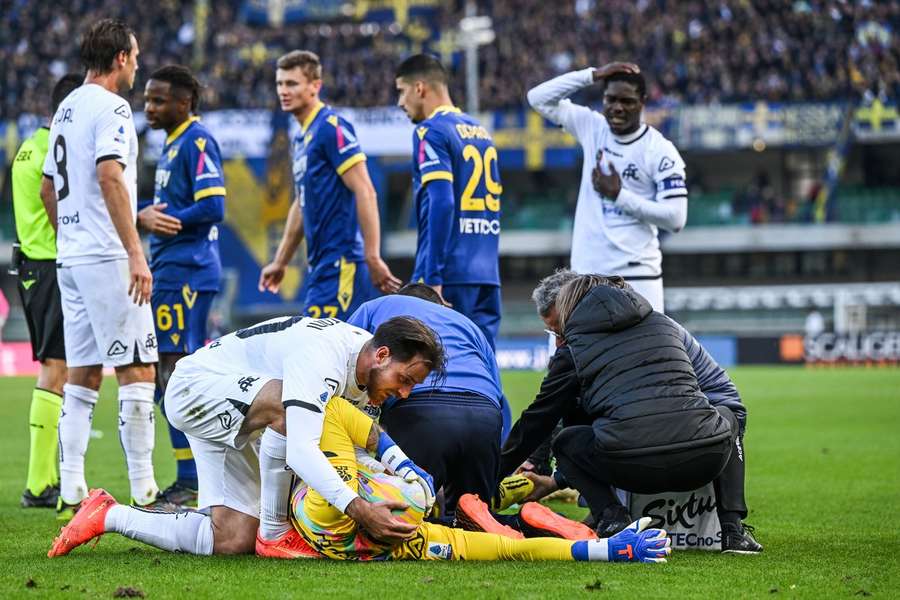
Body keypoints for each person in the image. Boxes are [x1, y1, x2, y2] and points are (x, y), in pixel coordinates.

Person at [48, 315, 446, 558]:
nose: (405, 392)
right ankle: (276, 536)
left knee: (232, 539)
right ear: (380, 356)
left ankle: (107, 514)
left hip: (243, 412)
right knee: (289, 409)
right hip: (197, 387)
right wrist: (359, 509)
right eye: (405, 379)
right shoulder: (324, 356)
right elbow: (304, 447)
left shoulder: (367, 370)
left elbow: (359, 438)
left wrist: (404, 471)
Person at [501, 273, 762, 554]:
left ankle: (612, 518)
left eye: (557, 331)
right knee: (728, 415)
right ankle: (733, 531)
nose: (557, 340)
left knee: (567, 439)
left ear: (569, 311)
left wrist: (488, 478)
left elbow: (539, 420)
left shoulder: (575, 349)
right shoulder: (665, 325)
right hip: (703, 460)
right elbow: (728, 402)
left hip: (632, 468)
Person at [40, 19, 161, 519]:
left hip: (72, 257)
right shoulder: (113, 108)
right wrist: (134, 251)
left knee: (84, 372)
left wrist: (70, 238)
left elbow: (49, 188)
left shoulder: (66, 107)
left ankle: (71, 489)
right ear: (120, 59)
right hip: (108, 256)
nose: (136, 64)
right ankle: (146, 490)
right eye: (133, 55)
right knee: (137, 367)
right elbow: (110, 174)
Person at [527, 63, 688, 312]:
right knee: (566, 350)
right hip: (585, 276)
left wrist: (619, 195)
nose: (617, 108)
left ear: (643, 101)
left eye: (627, 101)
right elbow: (537, 98)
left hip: (637, 278)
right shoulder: (593, 127)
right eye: (610, 99)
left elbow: (676, 218)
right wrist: (592, 74)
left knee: (642, 353)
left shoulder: (660, 150)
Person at [137, 64, 226, 508]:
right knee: (165, 373)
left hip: (188, 270)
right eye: (147, 99)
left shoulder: (197, 139)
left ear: (184, 102)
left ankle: (193, 477)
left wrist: (166, 221)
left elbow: (214, 204)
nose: (148, 107)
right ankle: (193, 472)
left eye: (158, 100)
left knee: (174, 372)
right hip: (172, 268)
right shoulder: (172, 145)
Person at [259, 50, 400, 318]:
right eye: (279, 83)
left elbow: (365, 189)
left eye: (292, 83)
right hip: (322, 268)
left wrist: (372, 256)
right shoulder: (301, 138)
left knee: (333, 354)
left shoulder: (331, 127)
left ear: (315, 86)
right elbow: (302, 203)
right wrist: (280, 262)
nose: (283, 91)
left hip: (343, 263)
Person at [347, 283, 505, 515]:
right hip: (485, 416)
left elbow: (348, 361)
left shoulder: (376, 306)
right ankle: (530, 527)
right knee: (473, 521)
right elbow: (497, 391)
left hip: (421, 413)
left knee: (401, 519)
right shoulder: (467, 323)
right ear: (440, 305)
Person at [394, 54, 503, 347]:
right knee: (483, 364)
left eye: (401, 91)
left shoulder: (430, 131)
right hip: (487, 272)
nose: (400, 102)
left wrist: (432, 278)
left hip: (448, 272)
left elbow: (442, 203)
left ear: (420, 88)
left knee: (437, 369)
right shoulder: (481, 133)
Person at [11, 73, 82, 509]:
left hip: (32, 265)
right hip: (50, 266)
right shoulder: (54, 152)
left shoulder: (28, 147)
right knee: (56, 369)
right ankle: (39, 485)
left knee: (58, 369)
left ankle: (47, 476)